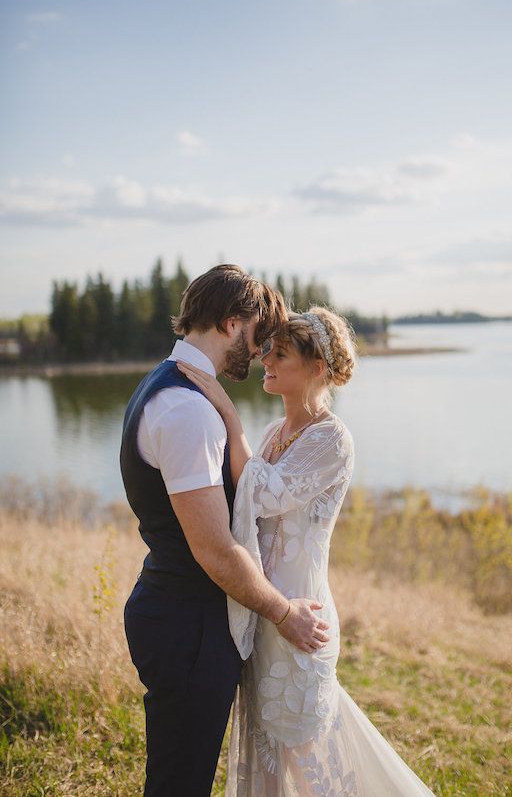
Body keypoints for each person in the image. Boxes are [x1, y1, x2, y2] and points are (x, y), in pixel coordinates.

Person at [177, 305, 435, 796]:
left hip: (302, 618)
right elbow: (247, 497)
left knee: (306, 762)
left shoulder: (333, 439)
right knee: (268, 760)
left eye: (281, 355)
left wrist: (229, 418)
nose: (265, 360)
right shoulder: (274, 435)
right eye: (268, 351)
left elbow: (267, 492)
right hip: (265, 612)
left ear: (317, 368)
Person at [120, 266, 332, 797]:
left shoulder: (167, 386)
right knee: (179, 784)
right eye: (260, 335)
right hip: (188, 625)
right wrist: (284, 613)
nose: (261, 350)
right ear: (233, 322)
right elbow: (215, 550)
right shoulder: (188, 411)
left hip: (182, 618)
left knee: (178, 776)